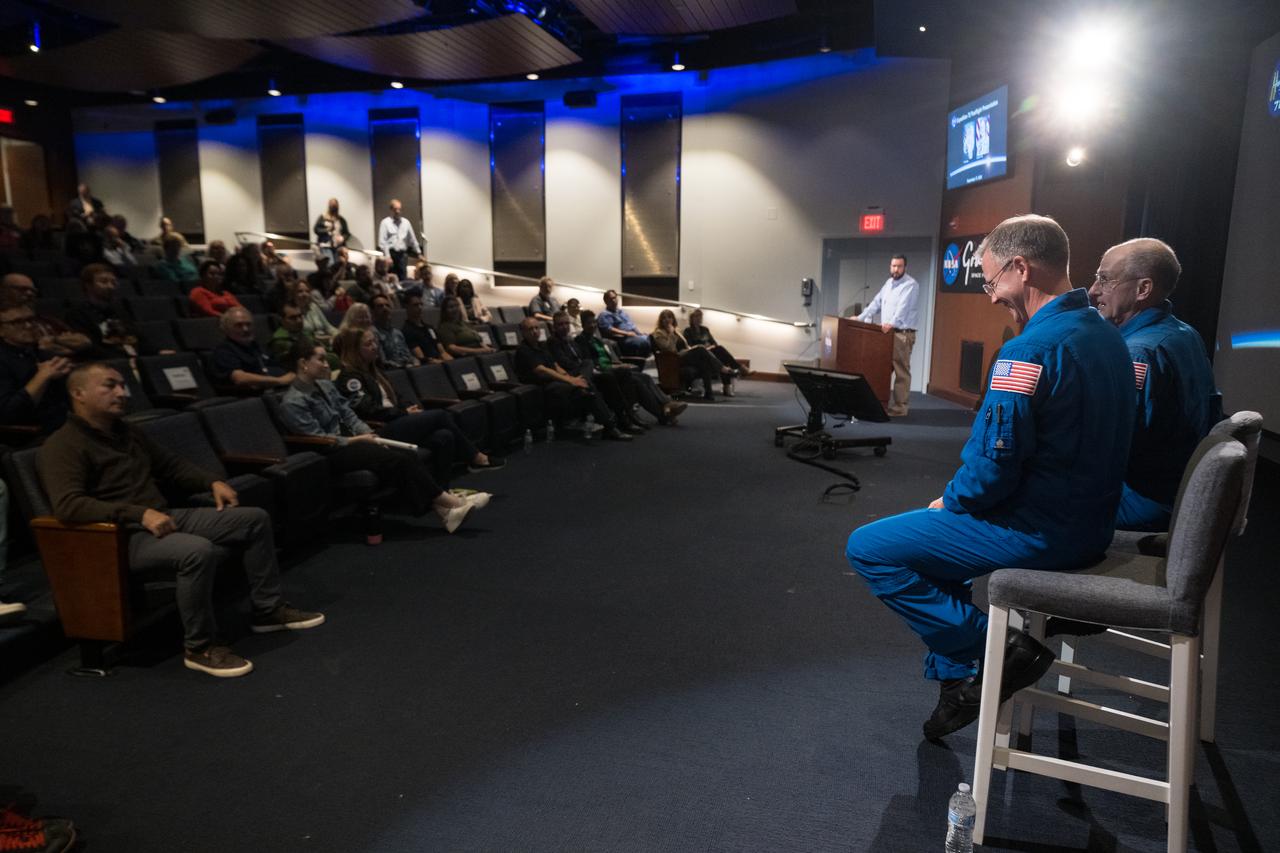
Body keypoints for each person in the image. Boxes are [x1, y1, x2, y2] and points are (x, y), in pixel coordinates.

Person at [844, 214, 1135, 740]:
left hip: (1039, 532)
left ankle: (998, 653)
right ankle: (957, 681)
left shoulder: (1027, 350)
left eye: (991, 279)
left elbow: (992, 469)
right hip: (1091, 524)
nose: (990, 295)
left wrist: (950, 502)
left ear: (1021, 268)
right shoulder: (1109, 337)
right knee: (933, 551)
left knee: (870, 547)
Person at [39, 362, 325, 677]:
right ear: (78, 393)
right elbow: (69, 505)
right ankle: (200, 647)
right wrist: (138, 514)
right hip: (118, 537)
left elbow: (171, 465)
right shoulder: (62, 445)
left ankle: (267, 610)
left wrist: (211, 482)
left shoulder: (127, 431)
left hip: (162, 517)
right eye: (110, 385)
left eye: (123, 385)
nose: (121, 393)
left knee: (253, 519)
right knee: (196, 551)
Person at [1088, 237, 1222, 531]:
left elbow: (1115, 446)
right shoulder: (1187, 334)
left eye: (1105, 279)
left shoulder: (1138, 352)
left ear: (1143, 289)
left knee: (1036, 499)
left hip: (1142, 500)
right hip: (1178, 492)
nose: (1094, 290)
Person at [277, 340, 477, 533]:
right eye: (321, 359)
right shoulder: (293, 402)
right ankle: (448, 503)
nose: (327, 364)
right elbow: (320, 439)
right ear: (303, 363)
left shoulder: (326, 386)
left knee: (408, 450)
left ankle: (443, 510)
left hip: (357, 441)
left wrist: (366, 433)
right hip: (332, 453)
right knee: (398, 458)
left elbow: (349, 415)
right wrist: (358, 440)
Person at [333, 326, 503, 479]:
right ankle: (476, 458)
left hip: (397, 421)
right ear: (354, 349)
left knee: (444, 436)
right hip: (379, 429)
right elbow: (368, 409)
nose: (375, 346)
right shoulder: (350, 377)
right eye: (368, 344)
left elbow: (397, 397)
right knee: (440, 415)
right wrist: (404, 413)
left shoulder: (374, 370)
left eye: (374, 342)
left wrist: (407, 407)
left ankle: (442, 492)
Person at [514, 317, 618, 439]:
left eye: (537, 328)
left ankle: (584, 384)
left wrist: (571, 377)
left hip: (556, 380)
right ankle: (610, 425)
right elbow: (542, 370)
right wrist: (570, 380)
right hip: (544, 385)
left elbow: (555, 365)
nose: (535, 331)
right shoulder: (523, 350)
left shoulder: (541, 346)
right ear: (523, 332)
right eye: (530, 329)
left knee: (587, 363)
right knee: (588, 388)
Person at [577, 310, 686, 425]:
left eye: (594, 322)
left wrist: (619, 364)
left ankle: (666, 406)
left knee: (645, 377)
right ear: (583, 325)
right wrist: (615, 366)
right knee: (637, 381)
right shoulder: (581, 340)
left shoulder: (598, 340)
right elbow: (591, 364)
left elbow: (610, 358)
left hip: (614, 368)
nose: (593, 325)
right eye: (589, 323)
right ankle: (663, 412)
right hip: (603, 373)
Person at [548, 311, 641, 437]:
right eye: (560, 324)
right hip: (571, 374)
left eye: (566, 323)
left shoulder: (571, 341)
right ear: (554, 326)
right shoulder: (553, 342)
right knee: (594, 368)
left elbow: (581, 358)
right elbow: (564, 363)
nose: (564, 326)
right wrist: (584, 370)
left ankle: (625, 418)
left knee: (609, 374)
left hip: (584, 373)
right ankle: (614, 425)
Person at [855, 254, 919, 417]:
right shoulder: (888, 283)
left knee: (901, 371)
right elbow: (876, 303)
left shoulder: (910, 285)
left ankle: (900, 407)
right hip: (885, 334)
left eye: (899, 266)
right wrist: (860, 318)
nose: (895, 269)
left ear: (905, 267)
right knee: (881, 370)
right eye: (893, 266)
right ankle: (880, 403)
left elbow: (902, 309)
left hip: (901, 334)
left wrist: (891, 323)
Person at [0, 305, 71, 436]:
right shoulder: (3, 360)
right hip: (30, 432)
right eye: (17, 322)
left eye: (31, 320)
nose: (28, 326)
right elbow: (9, 413)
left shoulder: (41, 353)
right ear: (1, 330)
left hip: (64, 420)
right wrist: (43, 376)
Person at [0, 273, 92, 358]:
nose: (29, 294)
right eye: (22, 289)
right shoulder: (5, 322)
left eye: (33, 291)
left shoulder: (48, 320)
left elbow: (84, 342)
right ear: (3, 291)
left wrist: (53, 340)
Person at [64, 264, 144, 359]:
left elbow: (138, 337)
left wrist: (158, 351)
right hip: (107, 364)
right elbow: (89, 348)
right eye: (104, 282)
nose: (110, 286)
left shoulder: (120, 311)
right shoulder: (77, 314)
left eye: (113, 282)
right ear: (88, 285)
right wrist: (123, 359)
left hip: (132, 359)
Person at [652, 309, 733, 400]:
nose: (667, 320)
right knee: (700, 349)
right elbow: (668, 348)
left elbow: (686, 345)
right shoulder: (659, 333)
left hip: (683, 355)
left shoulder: (677, 331)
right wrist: (671, 334)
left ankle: (709, 394)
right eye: (664, 318)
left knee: (704, 360)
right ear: (661, 320)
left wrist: (689, 349)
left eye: (669, 317)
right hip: (674, 360)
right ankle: (722, 368)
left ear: (673, 319)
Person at [208, 307, 294, 393]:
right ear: (226, 329)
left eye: (248, 324)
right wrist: (279, 381)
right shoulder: (224, 351)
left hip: (283, 388)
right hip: (257, 395)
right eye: (239, 325)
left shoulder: (257, 346)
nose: (245, 329)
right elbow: (240, 378)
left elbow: (278, 366)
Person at [269, 301, 338, 371]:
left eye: (300, 316)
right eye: (293, 318)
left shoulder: (305, 332)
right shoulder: (280, 340)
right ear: (282, 320)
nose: (299, 320)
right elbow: (301, 365)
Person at [684, 309, 747, 376]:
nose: (698, 318)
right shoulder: (688, 330)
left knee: (720, 349)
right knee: (719, 354)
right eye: (696, 316)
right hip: (700, 353)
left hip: (710, 350)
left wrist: (710, 346)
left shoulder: (705, 329)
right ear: (691, 318)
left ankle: (731, 377)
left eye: (700, 316)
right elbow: (689, 346)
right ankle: (738, 368)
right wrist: (704, 346)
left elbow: (714, 343)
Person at [400, 290, 451, 364]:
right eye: (415, 305)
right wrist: (443, 363)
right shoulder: (407, 331)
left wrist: (453, 363)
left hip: (441, 363)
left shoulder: (429, 328)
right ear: (407, 307)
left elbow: (442, 352)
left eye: (421, 304)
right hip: (428, 366)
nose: (420, 307)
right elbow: (421, 358)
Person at [597, 289, 652, 357]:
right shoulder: (604, 315)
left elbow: (631, 325)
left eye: (614, 298)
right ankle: (642, 362)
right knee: (644, 342)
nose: (614, 300)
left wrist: (639, 333)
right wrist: (627, 333)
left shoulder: (621, 312)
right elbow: (609, 329)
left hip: (633, 335)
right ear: (606, 301)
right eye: (611, 299)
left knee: (652, 338)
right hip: (623, 338)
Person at [377, 199, 421, 281]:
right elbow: (382, 242)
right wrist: (387, 256)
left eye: (399, 209)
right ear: (391, 210)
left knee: (402, 277)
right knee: (390, 277)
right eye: (395, 209)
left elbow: (412, 239)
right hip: (391, 254)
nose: (397, 211)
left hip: (402, 255)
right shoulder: (385, 223)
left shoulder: (406, 222)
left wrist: (418, 253)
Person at [370, 294, 417, 368]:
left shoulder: (397, 332)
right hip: (392, 372)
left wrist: (415, 361)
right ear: (372, 311)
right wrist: (403, 366)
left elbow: (408, 354)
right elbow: (383, 362)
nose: (385, 309)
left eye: (387, 305)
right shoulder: (373, 333)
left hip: (408, 369)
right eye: (380, 306)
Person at [294, 281, 338, 346]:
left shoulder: (313, 306)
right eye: (300, 291)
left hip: (327, 341)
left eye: (307, 291)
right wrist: (326, 338)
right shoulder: (293, 311)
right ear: (293, 293)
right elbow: (301, 336)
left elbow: (328, 327)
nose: (304, 294)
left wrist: (338, 334)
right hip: (309, 345)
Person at [313, 198, 349, 265]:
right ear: (329, 206)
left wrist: (342, 238)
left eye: (335, 206)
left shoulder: (341, 220)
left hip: (338, 246)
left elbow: (347, 233)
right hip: (326, 245)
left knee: (338, 265)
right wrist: (327, 230)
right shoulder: (323, 217)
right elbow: (316, 229)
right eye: (332, 205)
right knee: (330, 264)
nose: (333, 207)